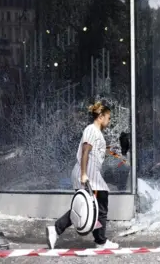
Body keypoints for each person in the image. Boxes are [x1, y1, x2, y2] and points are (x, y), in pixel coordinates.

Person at [46, 101, 119, 249]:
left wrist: (111, 150)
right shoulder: (92, 130)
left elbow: (96, 151)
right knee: (98, 205)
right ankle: (100, 241)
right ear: (100, 117)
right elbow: (86, 151)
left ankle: (57, 230)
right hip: (88, 174)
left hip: (89, 173)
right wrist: (84, 174)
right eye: (108, 117)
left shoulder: (96, 132)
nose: (109, 121)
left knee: (87, 208)